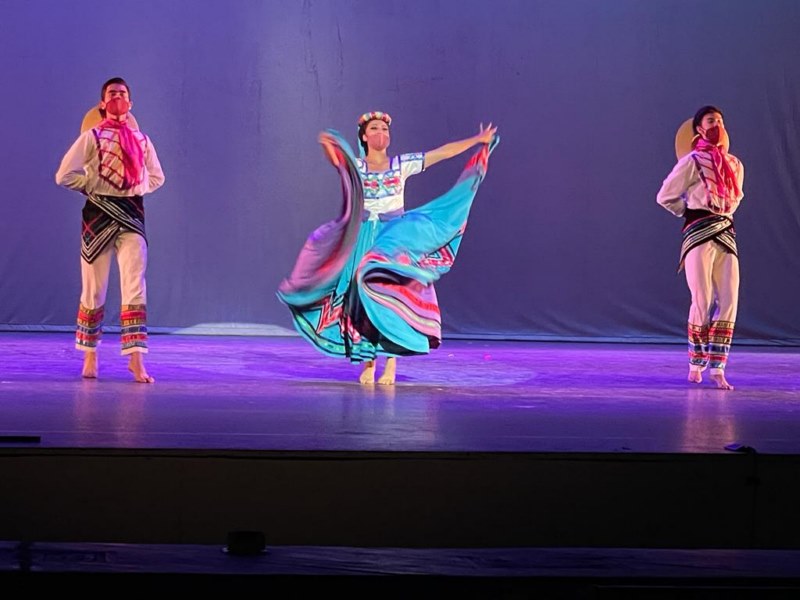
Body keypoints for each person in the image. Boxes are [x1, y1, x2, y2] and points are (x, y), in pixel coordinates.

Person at [278, 111, 498, 385]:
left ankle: (391, 364)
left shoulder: (400, 165)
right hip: (364, 238)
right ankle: (368, 362)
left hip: (393, 240)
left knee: (391, 300)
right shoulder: (358, 166)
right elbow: (338, 162)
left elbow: (440, 153)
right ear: (365, 135)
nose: (381, 132)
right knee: (361, 300)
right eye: (375, 128)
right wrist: (329, 144)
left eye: (385, 128)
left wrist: (477, 139)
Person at [55, 77, 165, 383]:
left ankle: (136, 360)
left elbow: (157, 177)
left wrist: (134, 186)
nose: (118, 98)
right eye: (112, 94)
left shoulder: (142, 140)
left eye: (123, 94)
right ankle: (90, 356)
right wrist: (91, 185)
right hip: (98, 216)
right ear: (103, 103)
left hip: (131, 215)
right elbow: (64, 174)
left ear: (130, 104)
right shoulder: (91, 137)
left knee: (134, 285)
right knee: (93, 287)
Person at [656, 105, 744, 390]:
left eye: (720, 119)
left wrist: (722, 213)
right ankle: (696, 363)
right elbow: (666, 195)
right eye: (711, 120)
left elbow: (736, 197)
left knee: (729, 299)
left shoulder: (735, 165)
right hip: (699, 233)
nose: (716, 123)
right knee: (702, 299)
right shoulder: (692, 161)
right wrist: (690, 212)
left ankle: (718, 367)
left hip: (725, 232)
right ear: (699, 128)